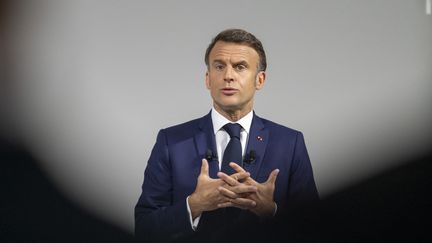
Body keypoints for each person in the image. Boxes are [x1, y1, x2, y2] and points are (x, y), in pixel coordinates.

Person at [134, 28, 319, 242]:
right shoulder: (171, 142)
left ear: (260, 80)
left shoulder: (290, 143)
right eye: (219, 66)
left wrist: (271, 211)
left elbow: (315, 229)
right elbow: (144, 228)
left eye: (240, 67)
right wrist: (194, 205)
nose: (228, 76)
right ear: (208, 79)